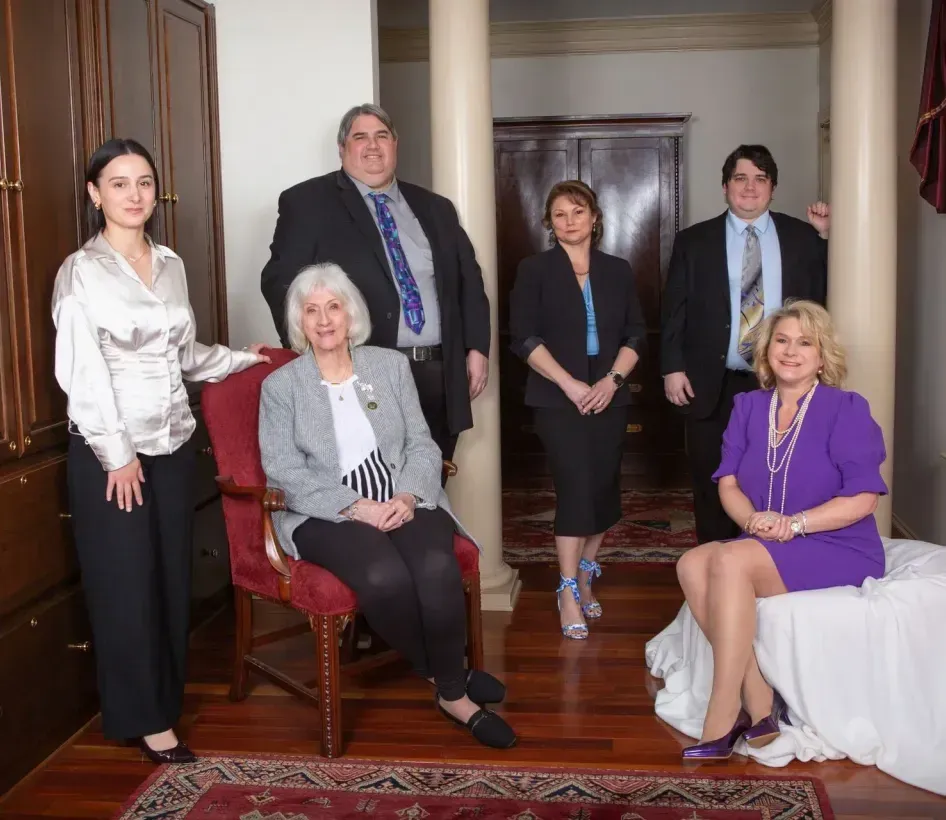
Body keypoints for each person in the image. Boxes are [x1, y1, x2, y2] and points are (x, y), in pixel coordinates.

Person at [52, 138, 270, 764]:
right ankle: (142, 720)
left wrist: (240, 359)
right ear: (95, 194)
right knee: (125, 585)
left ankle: (161, 704)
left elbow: (185, 355)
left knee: (170, 579)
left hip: (175, 443)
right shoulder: (80, 272)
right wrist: (119, 456)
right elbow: (82, 373)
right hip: (111, 455)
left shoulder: (170, 264)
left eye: (144, 182)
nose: (134, 195)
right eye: (118, 184)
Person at [258, 263, 516, 750]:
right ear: (300, 322)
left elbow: (421, 443)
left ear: (350, 314)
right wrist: (358, 507)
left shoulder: (388, 366)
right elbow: (285, 473)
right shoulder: (282, 387)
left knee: (436, 566)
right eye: (311, 311)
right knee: (383, 577)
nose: (324, 319)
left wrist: (407, 496)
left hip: (400, 494)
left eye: (333, 306)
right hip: (324, 511)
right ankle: (452, 688)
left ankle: (450, 684)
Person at [671, 300, 887, 760]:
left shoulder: (845, 408)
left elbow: (863, 498)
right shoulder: (748, 406)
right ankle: (759, 698)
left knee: (729, 558)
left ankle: (723, 709)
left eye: (805, 342)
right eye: (782, 341)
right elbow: (727, 481)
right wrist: (751, 520)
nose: (791, 351)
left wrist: (795, 524)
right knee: (692, 562)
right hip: (768, 538)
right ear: (767, 351)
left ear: (823, 355)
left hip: (837, 544)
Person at [259, 103, 490, 463]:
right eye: (360, 137)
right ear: (342, 149)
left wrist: (477, 348)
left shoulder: (436, 208)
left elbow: (468, 282)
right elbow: (279, 282)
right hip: (360, 374)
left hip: (440, 374)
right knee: (373, 485)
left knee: (431, 480)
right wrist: (309, 353)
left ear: (395, 144)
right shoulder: (307, 202)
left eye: (382, 136)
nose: (372, 146)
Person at [661, 144, 832, 544]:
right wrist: (672, 366)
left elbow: (826, 296)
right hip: (710, 382)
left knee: (775, 477)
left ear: (772, 188)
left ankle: (766, 564)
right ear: (725, 186)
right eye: (741, 178)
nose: (750, 188)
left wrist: (825, 237)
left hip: (780, 382)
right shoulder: (694, 241)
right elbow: (674, 310)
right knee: (712, 477)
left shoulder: (802, 237)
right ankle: (717, 564)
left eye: (760, 179)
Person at [509, 181, 646, 640]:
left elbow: (635, 336)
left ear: (594, 217)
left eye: (578, 211)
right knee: (575, 488)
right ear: (549, 222)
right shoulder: (534, 269)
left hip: (610, 396)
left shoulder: (618, 270)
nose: (570, 220)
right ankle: (567, 589)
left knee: (604, 488)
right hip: (556, 397)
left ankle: (588, 572)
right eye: (560, 214)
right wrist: (569, 384)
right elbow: (523, 338)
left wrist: (611, 381)